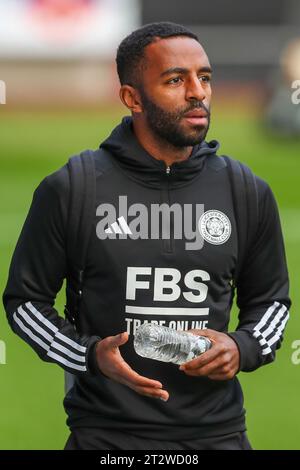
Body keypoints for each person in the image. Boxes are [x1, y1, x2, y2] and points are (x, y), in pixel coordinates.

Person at [3, 22, 291, 450]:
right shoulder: (74, 187)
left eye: (205, 78)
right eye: (176, 79)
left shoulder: (244, 190)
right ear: (131, 97)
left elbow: (271, 302)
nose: (198, 92)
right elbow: (25, 302)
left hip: (218, 437)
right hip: (105, 439)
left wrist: (241, 346)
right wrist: (88, 355)